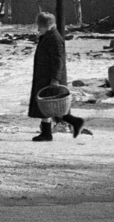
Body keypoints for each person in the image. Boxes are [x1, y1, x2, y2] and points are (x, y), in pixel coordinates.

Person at [28, 11, 90, 140]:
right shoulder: (48, 36)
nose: (38, 29)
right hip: (45, 76)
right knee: (48, 106)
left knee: (50, 106)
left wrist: (55, 79)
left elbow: (58, 60)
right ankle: (51, 130)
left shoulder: (54, 39)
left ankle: (48, 132)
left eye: (41, 26)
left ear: (49, 25)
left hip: (50, 78)